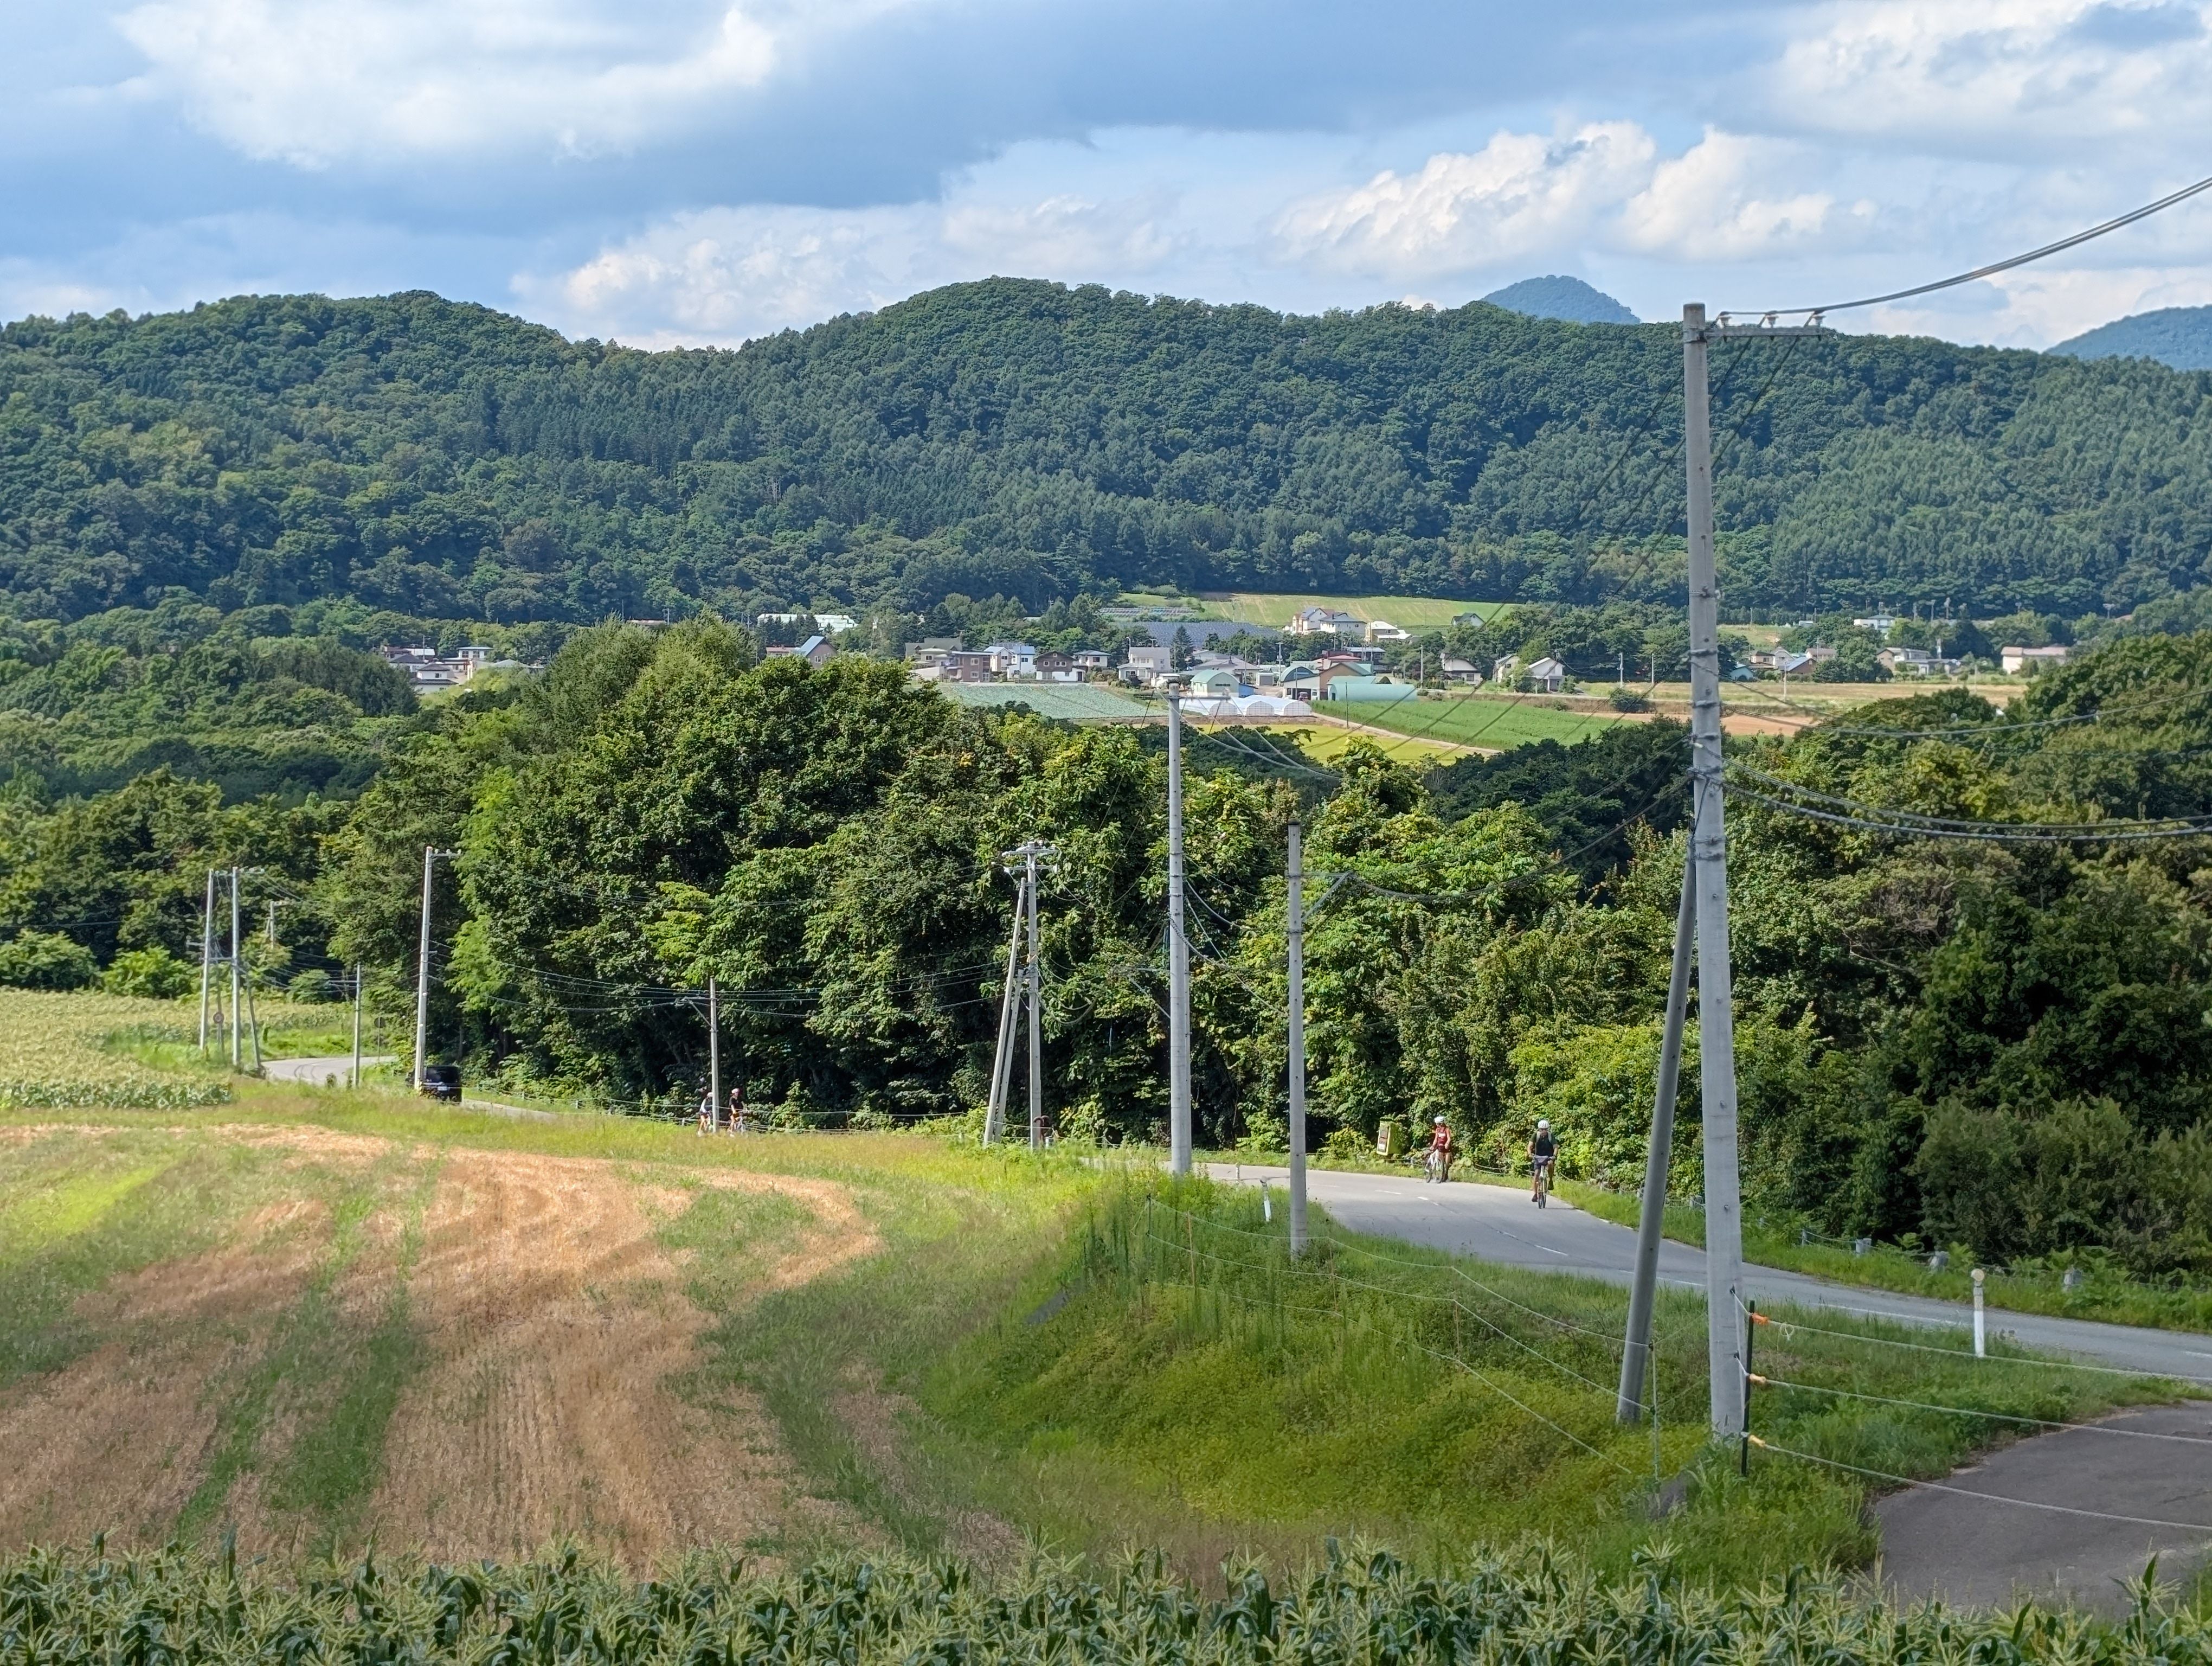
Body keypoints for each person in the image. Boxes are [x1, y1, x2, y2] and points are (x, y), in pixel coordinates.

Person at [1528, 1119, 1557, 1202]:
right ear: (1539, 1129)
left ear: (1548, 1129)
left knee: (1550, 1164)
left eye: (1545, 1129)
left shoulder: (1551, 1136)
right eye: (1542, 1129)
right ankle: (1535, 1194)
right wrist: (1530, 1153)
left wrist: (1554, 1156)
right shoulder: (1535, 1135)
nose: (1544, 1131)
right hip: (1538, 1157)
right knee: (1537, 1174)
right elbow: (1530, 1146)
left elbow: (1556, 1147)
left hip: (1548, 1157)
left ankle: (1550, 1179)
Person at [1426, 1115, 1455, 1182]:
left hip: (1447, 1148)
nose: (1436, 1125)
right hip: (1440, 1147)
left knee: (1447, 1164)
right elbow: (1436, 1139)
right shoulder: (1437, 1130)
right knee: (1442, 1162)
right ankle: (1441, 1175)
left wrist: (1447, 1144)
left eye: (1437, 1123)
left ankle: (1446, 1175)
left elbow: (1449, 1138)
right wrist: (1433, 1145)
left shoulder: (1447, 1129)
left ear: (1440, 1123)